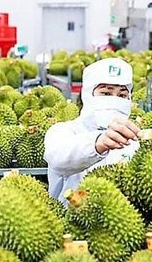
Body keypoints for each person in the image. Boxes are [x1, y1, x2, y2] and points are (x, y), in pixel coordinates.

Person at [44, 57, 141, 203]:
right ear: (88, 95)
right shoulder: (62, 132)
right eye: (106, 93)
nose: (115, 100)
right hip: (67, 221)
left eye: (122, 95)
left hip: (119, 222)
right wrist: (98, 143)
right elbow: (58, 158)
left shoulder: (134, 142)